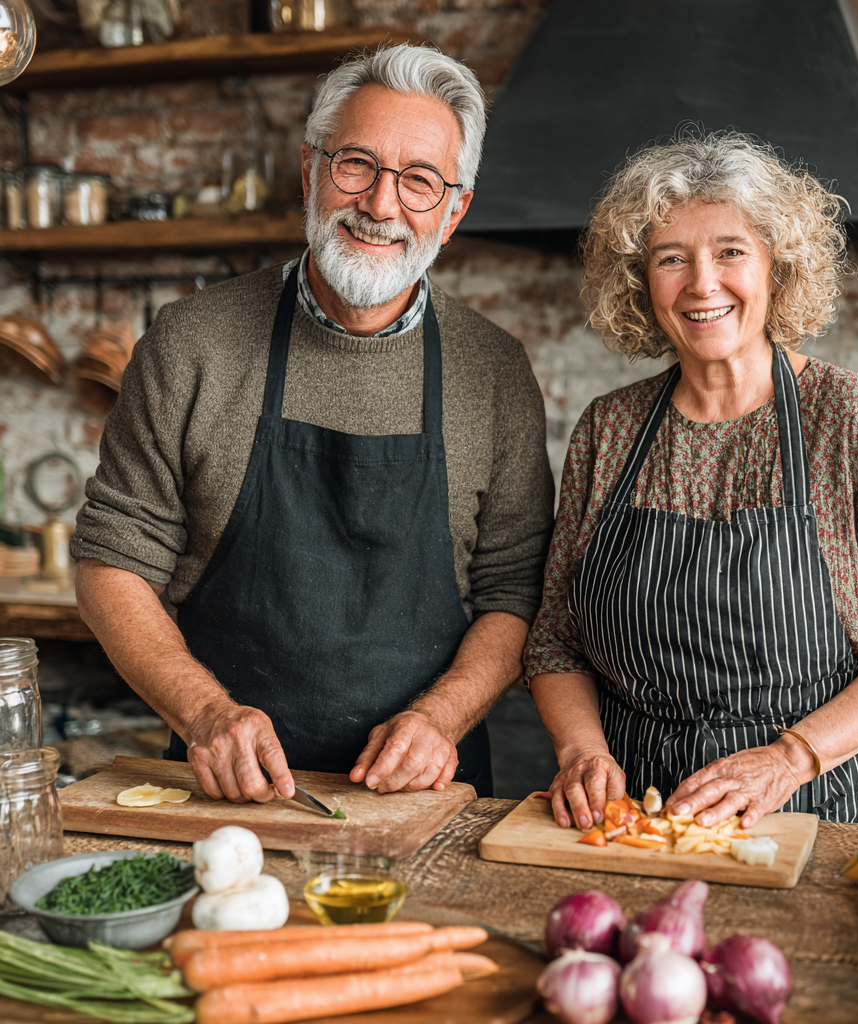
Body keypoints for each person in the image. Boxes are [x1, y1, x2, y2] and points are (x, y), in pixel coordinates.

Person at [72, 43, 554, 804]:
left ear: (453, 212)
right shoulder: (192, 341)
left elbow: (515, 591)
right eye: (355, 164)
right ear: (310, 171)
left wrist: (440, 717)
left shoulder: (493, 371)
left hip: (425, 795)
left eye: (419, 181)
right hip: (223, 789)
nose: (381, 204)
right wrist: (204, 715)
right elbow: (111, 560)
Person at [524, 133, 858, 831]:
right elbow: (554, 636)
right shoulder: (608, 429)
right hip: (637, 814)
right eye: (672, 259)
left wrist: (789, 759)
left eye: (731, 251)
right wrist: (581, 750)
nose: (703, 283)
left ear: (776, 269)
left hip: (815, 807)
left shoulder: (850, 419)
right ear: (642, 282)